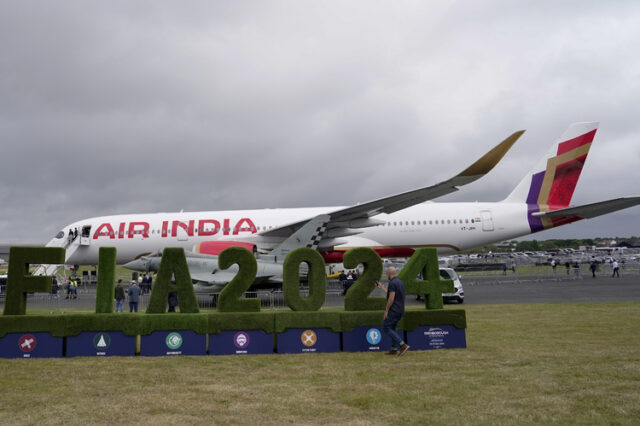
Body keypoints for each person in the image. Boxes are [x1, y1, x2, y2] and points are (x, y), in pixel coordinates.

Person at [376, 266, 410, 356]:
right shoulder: (400, 282)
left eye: (386, 274)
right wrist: (381, 287)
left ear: (389, 274)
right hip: (400, 309)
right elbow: (391, 293)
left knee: (386, 328)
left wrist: (386, 310)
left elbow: (391, 299)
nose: (386, 275)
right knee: (393, 328)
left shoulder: (392, 283)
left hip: (394, 310)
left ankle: (402, 345)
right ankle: (393, 349)